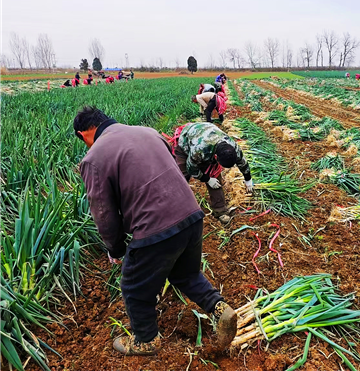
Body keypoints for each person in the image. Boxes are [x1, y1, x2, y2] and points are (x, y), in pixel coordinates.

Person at [73, 107, 237, 356]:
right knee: (186, 275)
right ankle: (219, 308)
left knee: (134, 287)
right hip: (191, 215)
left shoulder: (94, 157)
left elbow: (103, 212)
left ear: (83, 133)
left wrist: (116, 249)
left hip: (155, 227)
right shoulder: (148, 132)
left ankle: (146, 340)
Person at [172, 122, 254, 224]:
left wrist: (248, 179)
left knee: (215, 178)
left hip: (208, 137)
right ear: (216, 157)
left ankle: (220, 210)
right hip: (187, 141)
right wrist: (207, 179)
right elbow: (191, 169)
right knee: (182, 177)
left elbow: (242, 162)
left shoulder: (232, 147)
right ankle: (176, 208)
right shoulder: (199, 150)